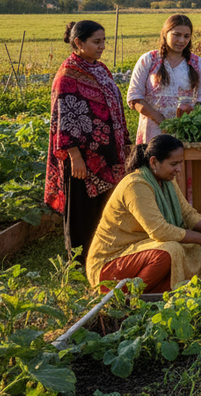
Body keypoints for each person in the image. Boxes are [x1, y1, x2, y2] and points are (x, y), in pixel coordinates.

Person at [87, 134, 201, 293]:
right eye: (174, 164)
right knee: (171, 251)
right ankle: (129, 295)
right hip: (111, 262)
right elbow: (160, 231)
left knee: (199, 247)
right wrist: (200, 237)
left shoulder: (167, 180)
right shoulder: (135, 185)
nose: (179, 169)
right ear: (153, 162)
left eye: (180, 163)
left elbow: (187, 214)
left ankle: (162, 289)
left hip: (144, 249)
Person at [45, 20, 129, 265]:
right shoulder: (67, 75)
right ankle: (78, 262)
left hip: (106, 154)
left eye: (103, 41)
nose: (102, 46)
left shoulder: (100, 68)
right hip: (83, 159)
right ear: (78, 43)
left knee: (105, 208)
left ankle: (103, 257)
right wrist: (75, 157)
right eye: (96, 41)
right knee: (82, 211)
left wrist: (123, 143)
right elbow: (66, 118)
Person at [126, 14, 201, 203]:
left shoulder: (196, 63)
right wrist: (160, 118)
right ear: (165, 34)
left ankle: (184, 219)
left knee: (180, 173)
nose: (182, 40)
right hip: (153, 129)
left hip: (184, 129)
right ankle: (152, 218)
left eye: (187, 36)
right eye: (177, 35)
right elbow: (134, 97)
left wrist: (190, 118)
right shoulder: (148, 60)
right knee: (152, 173)